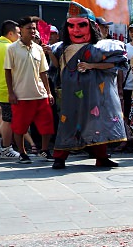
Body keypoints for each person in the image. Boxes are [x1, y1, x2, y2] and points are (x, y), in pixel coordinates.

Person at [53, 16, 128, 169]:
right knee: (68, 124)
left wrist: (91, 65)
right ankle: (59, 158)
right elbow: (57, 67)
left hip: (94, 93)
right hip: (71, 94)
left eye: (81, 25)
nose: (76, 30)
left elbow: (114, 64)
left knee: (96, 123)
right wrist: (49, 53)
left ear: (91, 26)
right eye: (71, 25)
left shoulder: (100, 48)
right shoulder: (61, 48)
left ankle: (101, 158)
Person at [4, 16, 54, 163]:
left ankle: (44, 151)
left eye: (34, 28)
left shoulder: (39, 49)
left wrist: (49, 92)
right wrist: (11, 92)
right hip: (21, 96)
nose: (32, 31)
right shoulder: (11, 49)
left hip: (40, 95)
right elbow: (7, 71)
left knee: (47, 125)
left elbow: (43, 72)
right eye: (29, 28)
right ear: (21, 30)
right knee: (19, 127)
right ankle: (22, 153)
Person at [0, 20, 23, 159]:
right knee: (9, 119)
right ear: (10, 33)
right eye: (18, 33)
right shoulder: (10, 47)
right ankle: (6, 148)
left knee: (5, 115)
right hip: (7, 88)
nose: (20, 36)